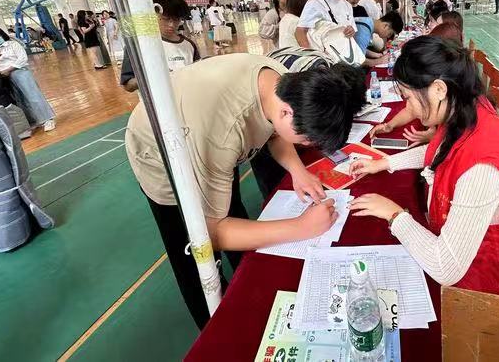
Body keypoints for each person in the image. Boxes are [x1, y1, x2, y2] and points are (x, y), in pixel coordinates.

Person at [125, 55, 367, 328]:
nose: (307, 145)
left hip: (203, 132)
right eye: (306, 139)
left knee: (230, 208)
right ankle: (213, 329)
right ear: (287, 113)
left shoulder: (281, 84)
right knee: (193, 257)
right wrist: (301, 227)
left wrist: (298, 170)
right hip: (160, 150)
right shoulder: (221, 136)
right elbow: (209, 235)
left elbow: (274, 130)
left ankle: (244, 282)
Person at [348, 37, 499, 301]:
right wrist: (384, 163)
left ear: (439, 89)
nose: (408, 108)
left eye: (408, 98)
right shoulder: (467, 107)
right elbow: (439, 150)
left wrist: (394, 215)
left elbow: (446, 267)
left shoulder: (482, 170)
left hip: (492, 290)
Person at [120, 0, 200, 92]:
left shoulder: (189, 45)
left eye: (176, 19)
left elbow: (198, 72)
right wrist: (154, 76)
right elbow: (128, 85)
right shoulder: (138, 45)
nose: (171, 25)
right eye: (165, 19)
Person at [0, 26, 56, 131]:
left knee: (32, 96)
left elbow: (23, 58)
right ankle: (32, 121)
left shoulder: (12, 44)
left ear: (2, 35)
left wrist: (9, 69)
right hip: (2, 76)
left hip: (19, 72)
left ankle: (47, 119)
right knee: (17, 99)